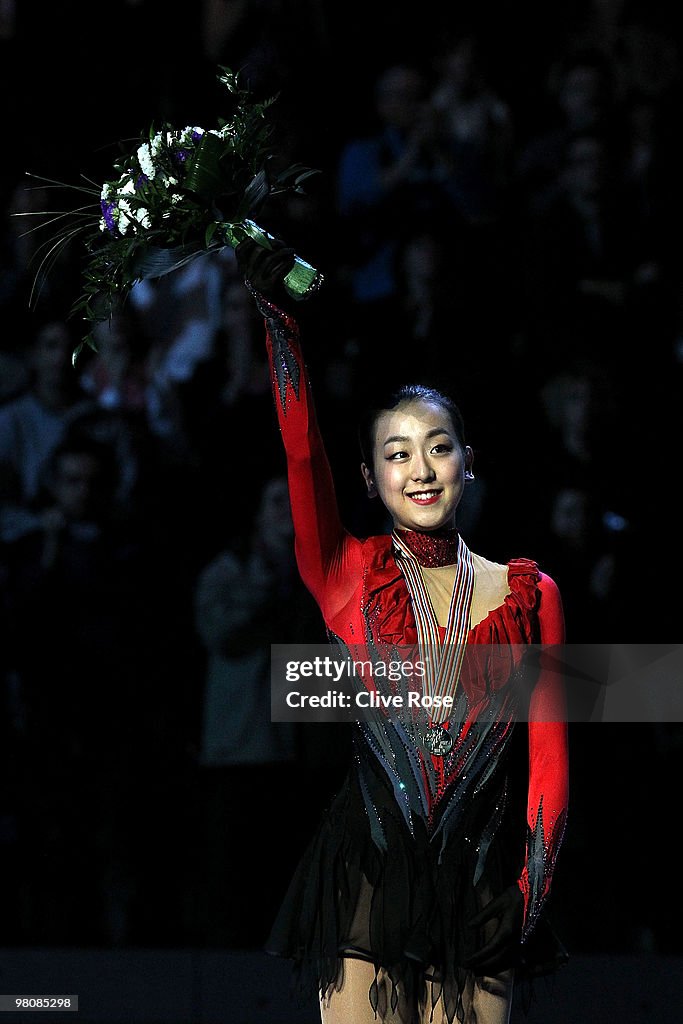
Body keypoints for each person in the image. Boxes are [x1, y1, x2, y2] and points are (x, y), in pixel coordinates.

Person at [232, 237, 569, 1024]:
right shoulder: (347, 574)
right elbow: (299, 453)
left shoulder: (531, 594)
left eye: (438, 448)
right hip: (366, 877)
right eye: (396, 454)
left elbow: (550, 763)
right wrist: (279, 323)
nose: (420, 469)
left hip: (481, 885)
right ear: (370, 478)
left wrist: (526, 900)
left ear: (467, 462)